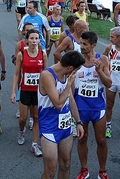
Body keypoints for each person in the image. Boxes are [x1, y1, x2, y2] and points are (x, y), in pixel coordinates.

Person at [38, 51, 85, 179]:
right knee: (51, 170)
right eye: (76, 70)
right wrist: (69, 84)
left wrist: (78, 122)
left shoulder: (66, 75)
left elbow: (70, 100)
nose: (76, 73)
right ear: (70, 68)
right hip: (49, 127)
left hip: (65, 126)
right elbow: (58, 104)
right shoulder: (47, 75)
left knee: (66, 164)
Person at [74, 31, 112, 179]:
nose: (81, 46)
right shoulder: (76, 59)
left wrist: (99, 71)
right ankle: (84, 169)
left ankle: (102, 171)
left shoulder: (102, 60)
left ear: (93, 45)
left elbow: (109, 83)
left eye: (85, 44)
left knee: (101, 140)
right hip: (81, 107)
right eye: (80, 43)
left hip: (97, 108)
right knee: (82, 139)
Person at [11, 29, 48, 157]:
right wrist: (13, 92)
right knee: (23, 118)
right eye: (31, 38)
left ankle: (34, 144)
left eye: (36, 38)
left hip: (38, 92)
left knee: (36, 117)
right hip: (25, 90)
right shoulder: (22, 54)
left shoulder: (43, 54)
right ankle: (22, 130)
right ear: (27, 40)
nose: (34, 41)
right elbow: (17, 74)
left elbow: (46, 74)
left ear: (39, 40)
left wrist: (47, 91)